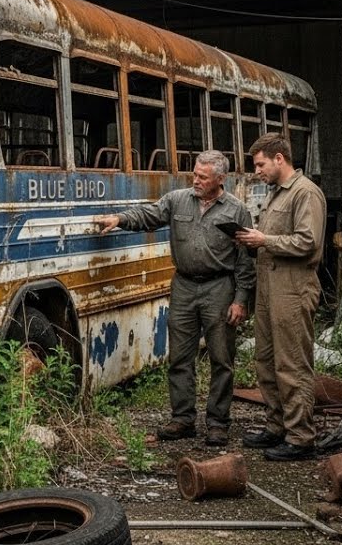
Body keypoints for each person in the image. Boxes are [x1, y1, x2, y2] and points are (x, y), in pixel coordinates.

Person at [96, 150, 254, 446]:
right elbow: (149, 215)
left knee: (222, 358)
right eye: (194, 174)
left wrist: (240, 299)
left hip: (219, 287)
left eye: (203, 177)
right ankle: (182, 418)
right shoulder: (178, 200)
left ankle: (218, 423)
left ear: (220, 179)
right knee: (180, 356)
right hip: (183, 286)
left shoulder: (237, 210)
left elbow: (245, 259)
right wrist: (119, 219)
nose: (195, 180)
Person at [234, 132, 326, 461]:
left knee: (292, 363)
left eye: (260, 165)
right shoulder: (276, 194)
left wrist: (264, 241)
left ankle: (300, 437)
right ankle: (277, 427)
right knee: (267, 360)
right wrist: (252, 241)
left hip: (293, 287)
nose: (257, 171)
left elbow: (308, 242)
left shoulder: (305, 193)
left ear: (279, 158)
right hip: (270, 286)